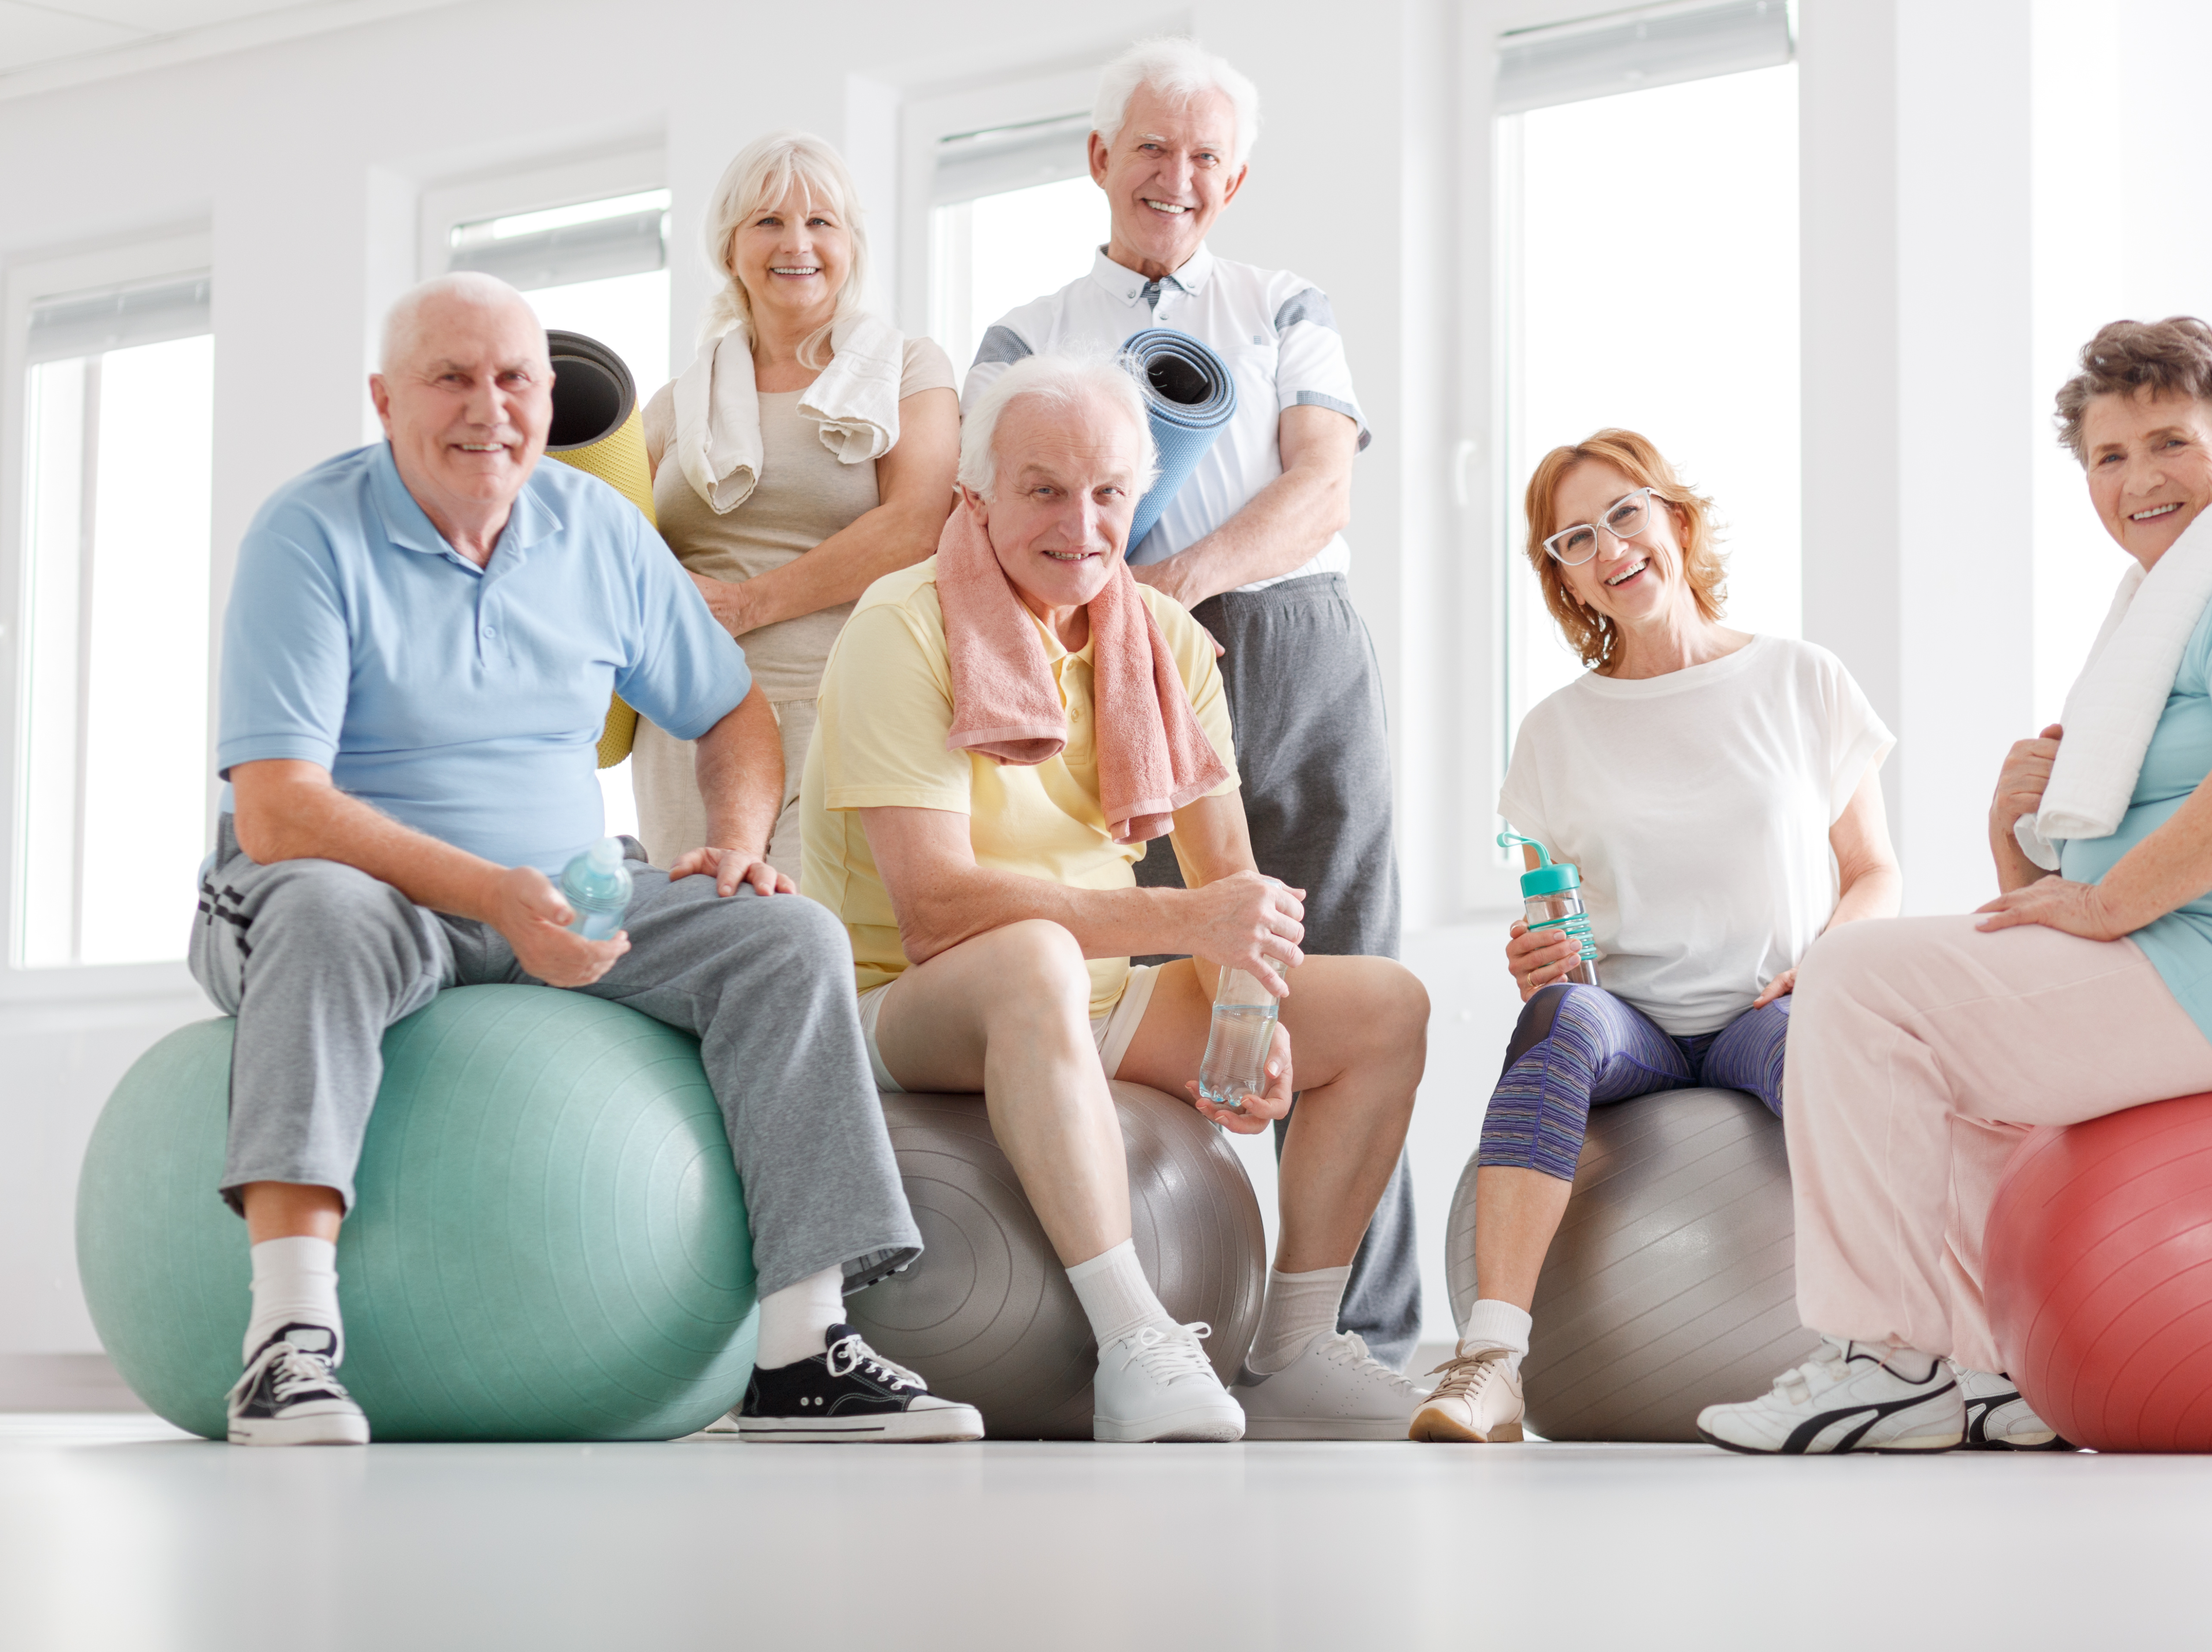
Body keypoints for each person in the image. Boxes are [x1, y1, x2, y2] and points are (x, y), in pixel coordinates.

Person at [197, 272, 980, 1447]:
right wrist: (490, 894)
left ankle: (801, 1348)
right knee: (319, 907)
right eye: (451, 377)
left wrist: (729, 840)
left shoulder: (598, 529)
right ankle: (287, 1342)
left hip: (568, 884)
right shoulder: (308, 533)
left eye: (514, 378)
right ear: (384, 398)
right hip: (359, 887)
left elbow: (733, 716)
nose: (488, 406)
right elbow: (278, 811)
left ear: (549, 395)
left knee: (788, 935)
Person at [1696, 316, 2212, 1454]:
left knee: (1854, 975)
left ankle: (1889, 1358)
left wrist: (2105, 904)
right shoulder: (2172, 610)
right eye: (2109, 455)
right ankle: (1998, 1365)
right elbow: (2089, 879)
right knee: (1945, 1052)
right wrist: (2020, 847)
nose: (2140, 477)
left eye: (2171, 442)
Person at [801, 350, 1429, 1442]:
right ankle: (1136, 1340)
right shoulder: (900, 626)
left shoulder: (1168, 640)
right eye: (1042, 488)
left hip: (1090, 998)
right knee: (1035, 955)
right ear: (977, 497)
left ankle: (1291, 1344)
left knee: (1385, 1008)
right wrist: (1187, 925)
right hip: (904, 1002)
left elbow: (1230, 877)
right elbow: (936, 911)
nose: (1080, 525)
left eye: (1107, 494)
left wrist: (1246, 1012)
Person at [963, 34, 1423, 1370]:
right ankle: (1165, 1319)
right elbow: (986, 520)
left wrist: (1170, 588)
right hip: (1104, 671)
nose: (1178, 176)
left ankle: (1355, 1333)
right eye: (1152, 149)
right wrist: (1131, 628)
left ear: (1236, 177)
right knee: (1143, 977)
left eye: (1206, 156)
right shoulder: (1026, 336)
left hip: (1294, 642)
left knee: (1338, 971)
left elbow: (1322, 485)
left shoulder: (1284, 303)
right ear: (1100, 159)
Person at [1409, 430, 1900, 1444]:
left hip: (1763, 1008)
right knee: (1557, 1021)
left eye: (1625, 514)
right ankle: (1491, 1362)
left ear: (1676, 519)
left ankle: (1894, 1351)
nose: (1609, 549)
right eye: (1573, 540)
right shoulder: (1554, 730)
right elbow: (1556, 911)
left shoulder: (1800, 680)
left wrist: (1830, 962)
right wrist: (1536, 955)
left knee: (1830, 1059)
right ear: (1568, 583)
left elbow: (1873, 872)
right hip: (1626, 1021)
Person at [633, 131, 960, 870]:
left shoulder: (911, 369)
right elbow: (618, 543)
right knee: (694, 945)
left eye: (821, 222)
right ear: (729, 247)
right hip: (690, 719)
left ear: (851, 244)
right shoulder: (674, 404)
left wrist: (748, 605)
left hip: (843, 704)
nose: (797, 243)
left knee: (809, 948)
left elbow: (917, 524)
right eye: (769, 222)